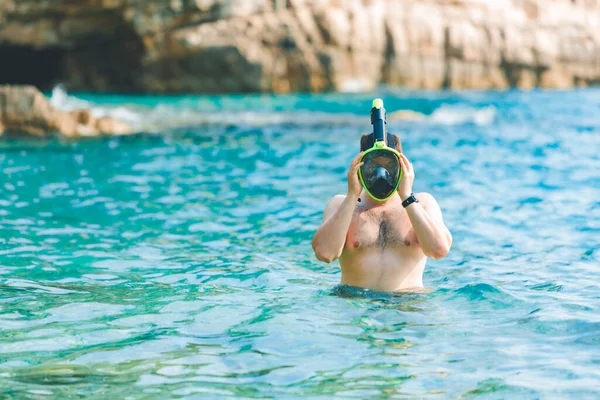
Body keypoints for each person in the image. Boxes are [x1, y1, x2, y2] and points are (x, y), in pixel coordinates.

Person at [311, 133, 452, 292]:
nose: (381, 174)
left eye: (389, 166)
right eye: (373, 166)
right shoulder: (341, 204)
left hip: (407, 304)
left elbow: (439, 250)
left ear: (401, 167)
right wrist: (352, 196)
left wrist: (406, 196)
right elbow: (325, 253)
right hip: (357, 304)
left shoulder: (423, 203)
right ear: (360, 167)